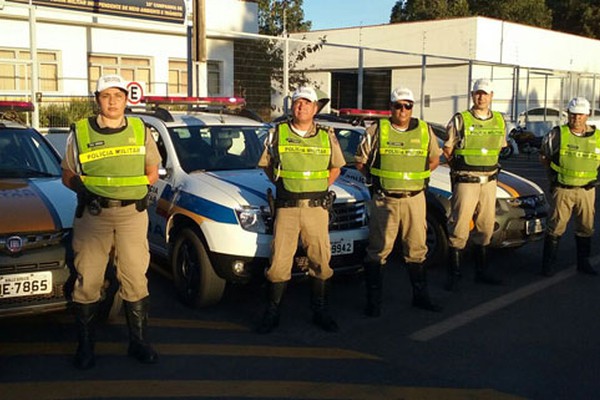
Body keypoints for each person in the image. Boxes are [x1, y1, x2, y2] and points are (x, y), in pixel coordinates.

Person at [61, 74, 161, 369]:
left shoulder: (140, 129)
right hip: (94, 216)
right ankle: (86, 347)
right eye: (106, 96)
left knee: (135, 277)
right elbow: (67, 174)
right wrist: (82, 188)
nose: (113, 101)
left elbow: (152, 171)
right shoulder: (80, 132)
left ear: (127, 99)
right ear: (97, 100)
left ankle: (139, 343)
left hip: (132, 215)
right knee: (88, 279)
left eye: (118, 95)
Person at [256, 86, 345, 333]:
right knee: (278, 264)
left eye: (307, 102)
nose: (301, 106)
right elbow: (267, 165)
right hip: (287, 208)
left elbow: (336, 168)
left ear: (315, 108)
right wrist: (287, 187)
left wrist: (316, 188)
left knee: (321, 261)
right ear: (292, 106)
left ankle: (321, 310)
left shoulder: (327, 135)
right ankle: (272, 312)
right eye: (297, 102)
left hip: (316, 208)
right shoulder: (278, 132)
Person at [355, 86, 442, 316]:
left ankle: (421, 297)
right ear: (390, 108)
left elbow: (434, 159)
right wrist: (377, 182)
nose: (403, 110)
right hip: (385, 201)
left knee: (417, 249)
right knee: (378, 250)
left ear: (412, 108)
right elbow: (361, 162)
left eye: (407, 106)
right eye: (398, 105)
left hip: (415, 199)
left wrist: (417, 178)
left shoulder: (424, 130)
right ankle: (373, 302)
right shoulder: (377, 130)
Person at [443, 78, 508, 291]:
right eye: (478, 93)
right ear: (472, 95)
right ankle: (455, 274)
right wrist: (460, 171)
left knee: (486, 226)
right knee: (459, 227)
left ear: (491, 96)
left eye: (485, 93)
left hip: (489, 181)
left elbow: (500, 148)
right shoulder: (461, 119)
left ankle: (482, 272)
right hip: (467, 181)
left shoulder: (499, 120)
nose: (481, 97)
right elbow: (448, 150)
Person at [540, 97, 600, 277]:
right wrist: (554, 178)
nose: (576, 119)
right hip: (563, 189)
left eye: (580, 115)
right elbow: (544, 157)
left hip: (587, 190)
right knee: (555, 226)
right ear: (568, 114)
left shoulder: (597, 137)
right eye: (573, 115)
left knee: (586, 227)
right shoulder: (558, 134)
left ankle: (583, 262)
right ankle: (548, 265)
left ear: (587, 115)